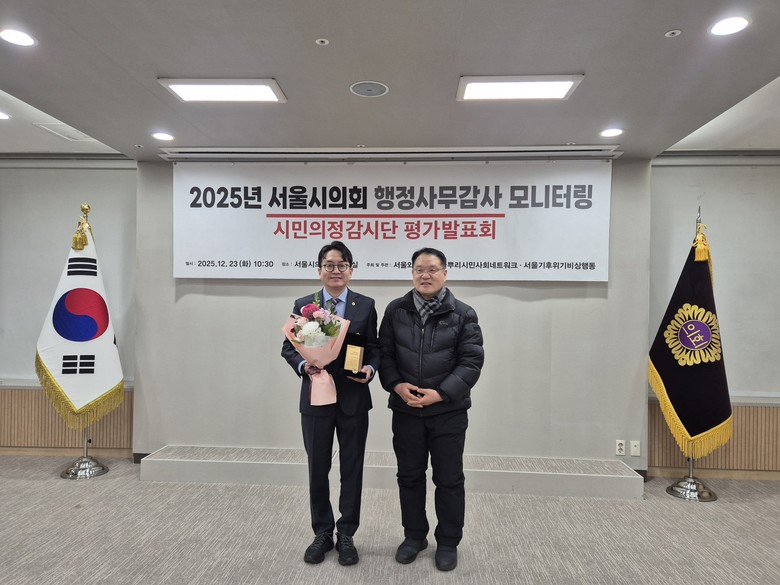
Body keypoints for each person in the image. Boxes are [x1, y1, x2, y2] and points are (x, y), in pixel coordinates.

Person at [378, 247, 484, 572]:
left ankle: (448, 541)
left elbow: (471, 362)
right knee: (409, 476)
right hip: (406, 410)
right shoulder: (395, 310)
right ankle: (414, 536)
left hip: (448, 412)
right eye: (419, 270)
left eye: (432, 269)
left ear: (445, 273)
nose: (425, 275)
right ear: (412, 273)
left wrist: (440, 394)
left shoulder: (463, 314)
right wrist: (396, 385)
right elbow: (385, 354)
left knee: (449, 479)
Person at [281, 241, 379, 566]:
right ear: (319, 270)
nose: (335, 271)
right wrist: (303, 365)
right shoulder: (304, 305)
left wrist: (370, 369)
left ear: (351, 270)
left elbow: (374, 347)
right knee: (317, 467)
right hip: (316, 398)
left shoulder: (366, 305)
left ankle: (347, 532)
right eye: (329, 265)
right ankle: (322, 532)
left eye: (342, 265)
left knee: (352, 468)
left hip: (353, 398)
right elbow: (289, 347)